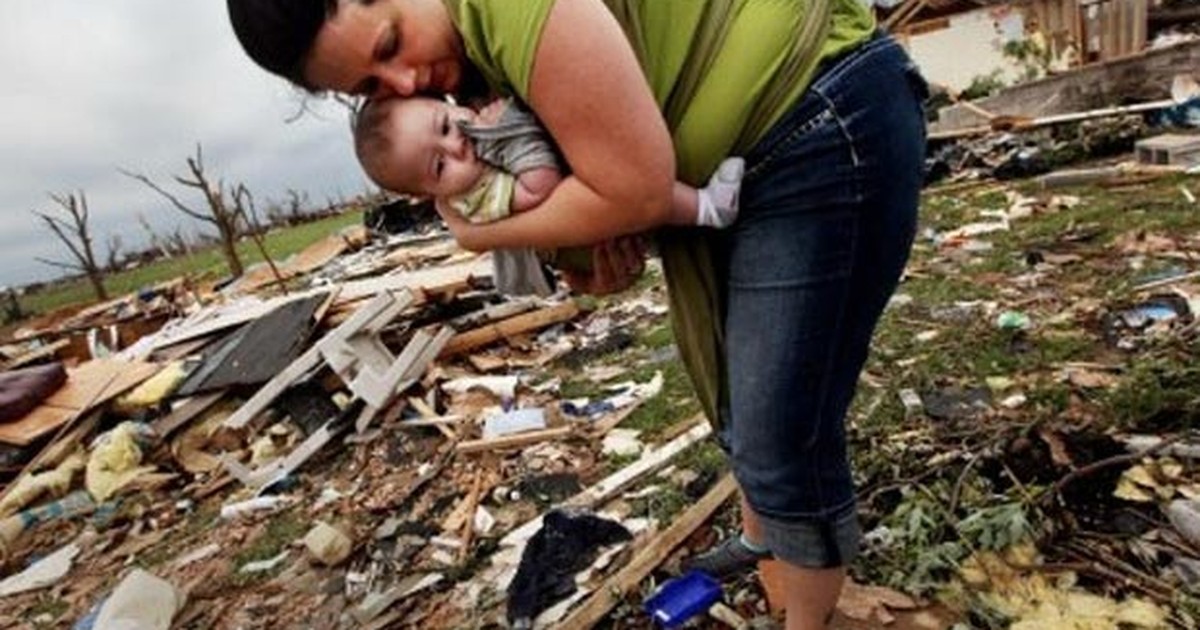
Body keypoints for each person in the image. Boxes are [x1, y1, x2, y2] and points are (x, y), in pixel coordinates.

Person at [227, 1, 927, 627]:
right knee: (734, 389)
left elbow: (637, 189)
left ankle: (807, 617)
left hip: (818, 124)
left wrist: (479, 235)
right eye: (372, 88)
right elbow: (595, 196)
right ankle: (760, 541)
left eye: (389, 46)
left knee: (782, 435)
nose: (407, 84)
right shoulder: (472, 73)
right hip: (756, 164)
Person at [354, 95, 747, 229]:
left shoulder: (473, 128)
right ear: (428, 194)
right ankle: (707, 208)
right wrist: (506, 135)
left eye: (444, 125)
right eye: (439, 167)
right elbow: (538, 187)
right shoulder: (478, 198)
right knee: (639, 189)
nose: (455, 147)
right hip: (590, 197)